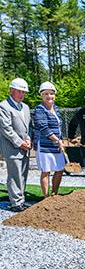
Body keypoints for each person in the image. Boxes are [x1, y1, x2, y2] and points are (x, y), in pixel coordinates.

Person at [0, 78, 31, 211]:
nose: (21, 94)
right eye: (19, 91)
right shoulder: (4, 106)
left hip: (25, 147)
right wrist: (20, 143)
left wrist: (28, 140)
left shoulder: (25, 107)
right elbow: (6, 129)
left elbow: (27, 128)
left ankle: (21, 200)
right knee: (15, 174)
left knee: (23, 174)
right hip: (12, 147)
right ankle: (15, 203)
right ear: (11, 90)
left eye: (23, 92)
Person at [33, 81, 65, 198]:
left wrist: (60, 139)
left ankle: (54, 194)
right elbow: (44, 128)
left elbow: (58, 127)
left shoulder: (56, 108)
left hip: (56, 144)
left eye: (51, 93)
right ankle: (46, 197)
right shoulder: (39, 109)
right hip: (45, 145)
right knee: (46, 171)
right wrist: (57, 140)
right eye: (46, 93)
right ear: (41, 95)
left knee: (60, 168)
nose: (49, 96)